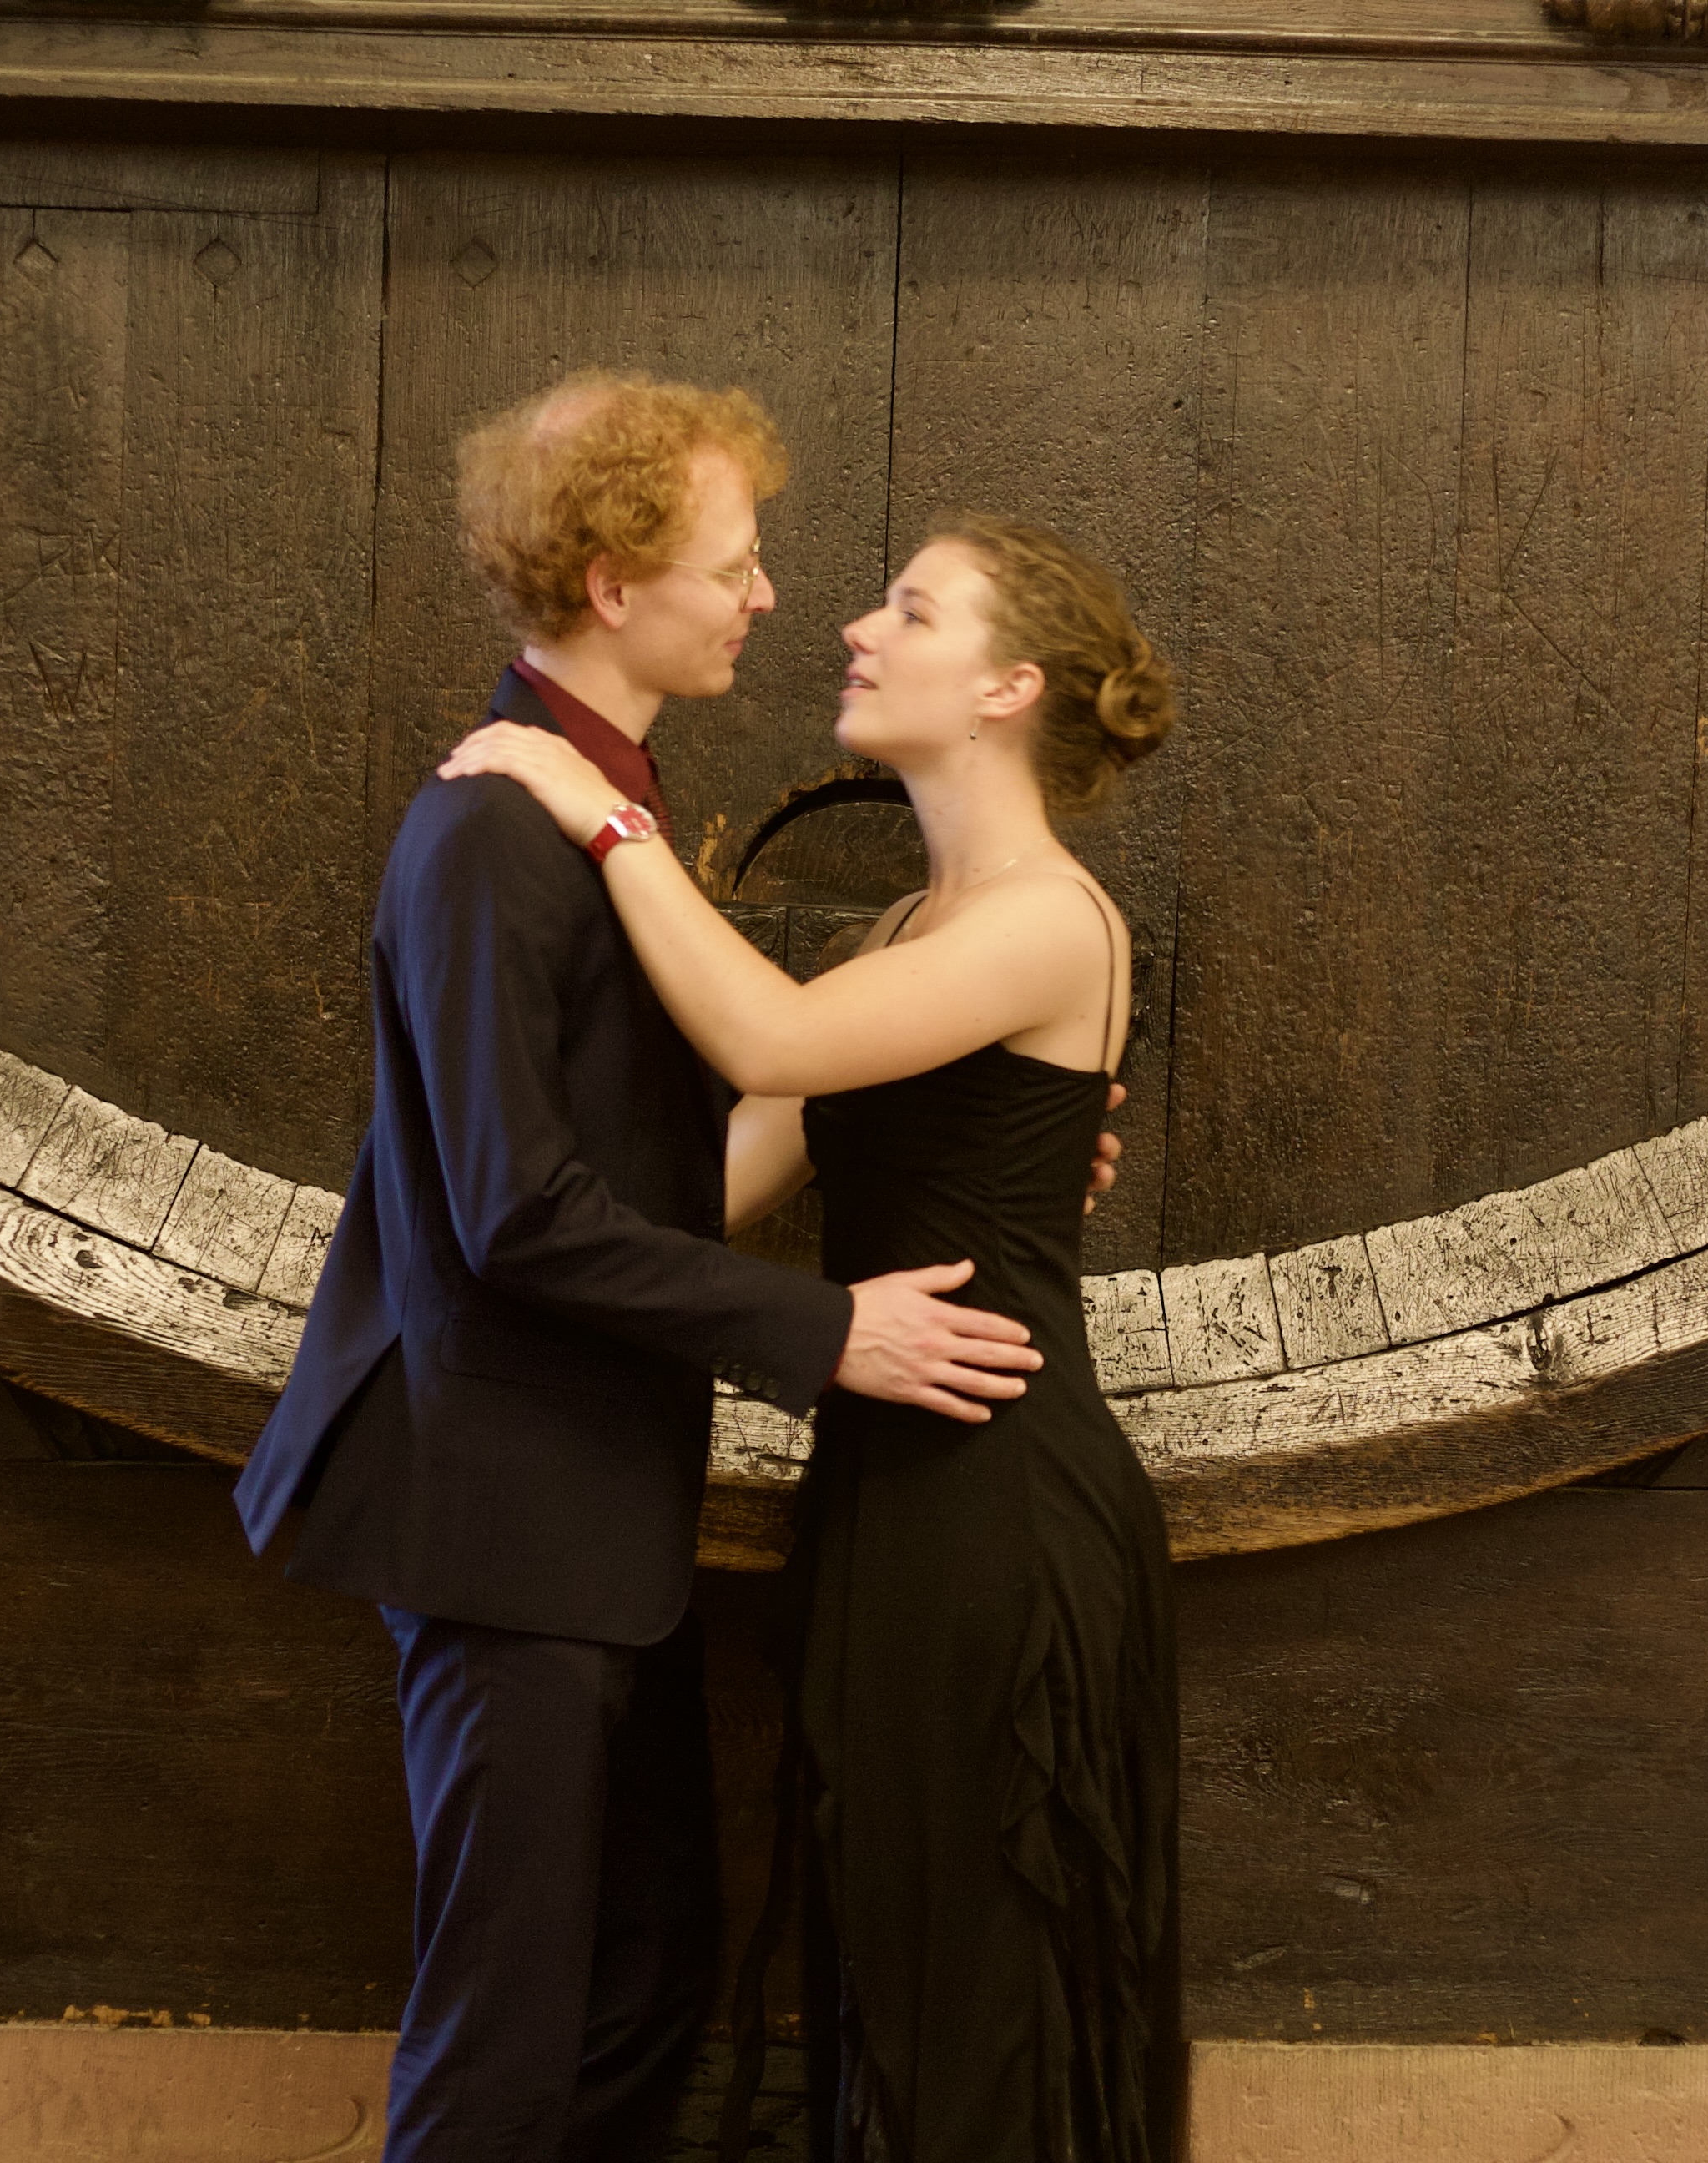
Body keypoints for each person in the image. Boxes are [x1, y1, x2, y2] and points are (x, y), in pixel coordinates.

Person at [233, 372, 1076, 2163]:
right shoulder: (493, 827)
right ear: (614, 585)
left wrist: (953, 1144)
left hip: (596, 1519)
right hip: (502, 1519)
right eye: (734, 563)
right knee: (505, 2038)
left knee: (644, 1985)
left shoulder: (600, 799)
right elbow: (517, 1214)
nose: (768, 596)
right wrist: (824, 1332)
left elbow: (659, 1157)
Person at [440, 512, 1186, 2163]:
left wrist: (606, 818)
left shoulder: (1050, 921)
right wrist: (482, 1172)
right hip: (880, 1497)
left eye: (910, 610)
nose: (855, 627)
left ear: (1006, 687)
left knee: (980, 1982)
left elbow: (767, 1038)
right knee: (893, 1964)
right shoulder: (903, 931)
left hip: (1002, 1502)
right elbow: (707, 1188)